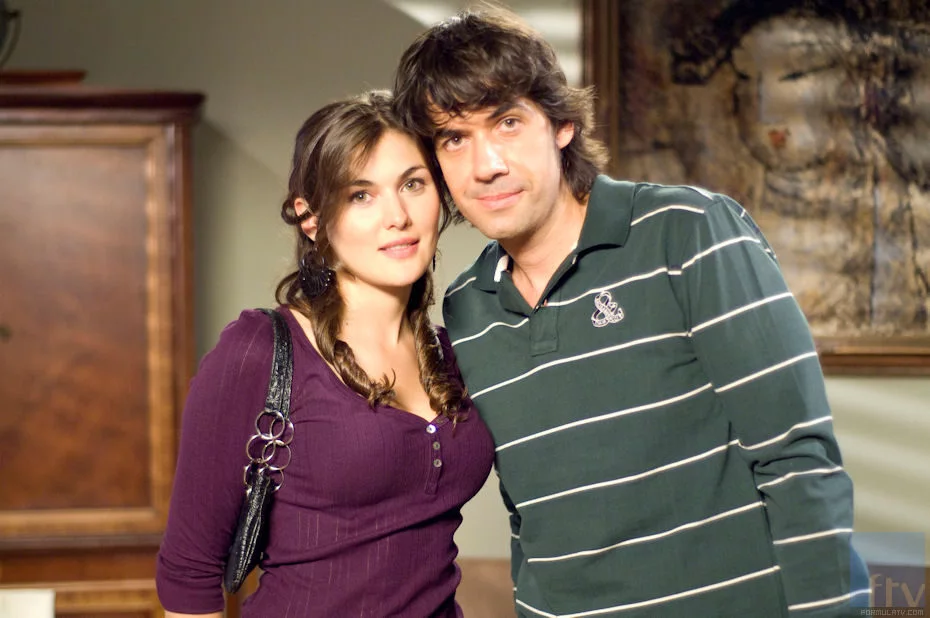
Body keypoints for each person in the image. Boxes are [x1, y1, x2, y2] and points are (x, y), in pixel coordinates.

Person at [393, 7, 871, 617]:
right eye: (454, 139)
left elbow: (798, 460)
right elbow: (532, 518)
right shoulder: (468, 308)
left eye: (507, 122)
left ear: (561, 124)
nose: (486, 165)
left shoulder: (689, 231)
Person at [155, 90, 495, 617]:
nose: (398, 216)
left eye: (413, 184)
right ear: (311, 218)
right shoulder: (258, 351)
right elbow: (188, 574)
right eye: (361, 195)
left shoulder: (457, 353)